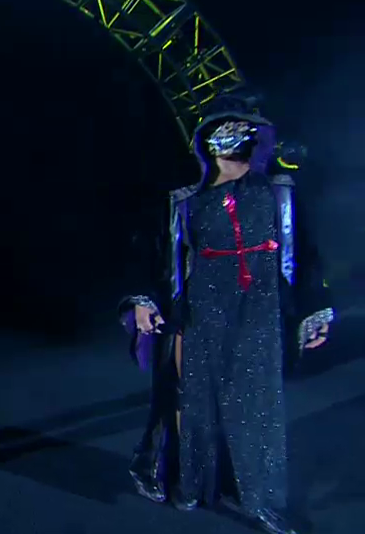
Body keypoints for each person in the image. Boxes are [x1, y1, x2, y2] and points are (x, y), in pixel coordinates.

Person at [119, 95, 332, 534]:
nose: (229, 140)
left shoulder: (279, 193)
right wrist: (144, 300)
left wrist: (313, 311)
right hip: (202, 312)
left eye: (239, 129)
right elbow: (155, 252)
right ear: (205, 140)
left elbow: (306, 255)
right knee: (195, 404)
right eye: (221, 129)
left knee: (258, 408)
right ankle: (191, 484)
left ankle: (262, 500)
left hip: (260, 313)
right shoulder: (184, 199)